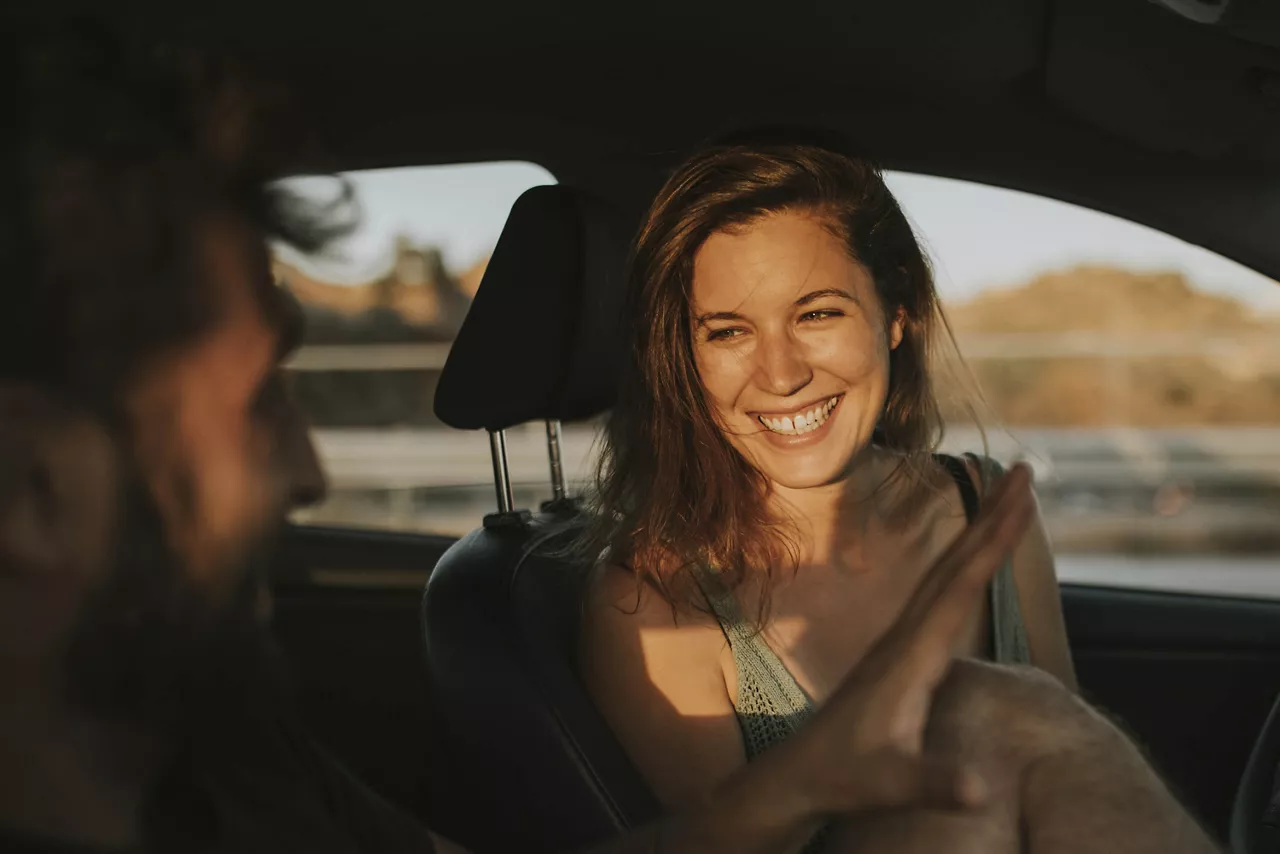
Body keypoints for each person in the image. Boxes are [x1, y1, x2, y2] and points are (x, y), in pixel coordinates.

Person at [0, 22, 1220, 854]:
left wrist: (811, 773)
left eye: (818, 312)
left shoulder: (241, 766)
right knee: (993, 719)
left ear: (895, 316)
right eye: (259, 400)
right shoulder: (637, 595)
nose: (310, 469)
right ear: (30, 486)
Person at [575, 137, 1087, 846]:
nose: (780, 374)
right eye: (728, 332)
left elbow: (1071, 790)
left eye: (817, 314)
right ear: (686, 362)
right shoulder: (653, 598)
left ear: (895, 314)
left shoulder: (989, 507)